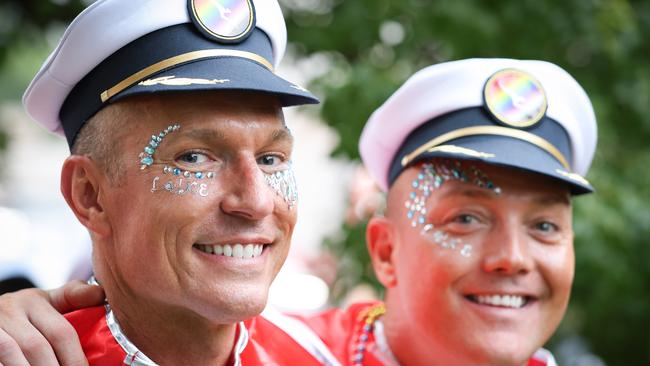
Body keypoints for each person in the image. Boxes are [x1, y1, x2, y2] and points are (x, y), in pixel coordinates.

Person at [0, 58, 597, 365]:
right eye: (465, 219)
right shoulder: (300, 351)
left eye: (545, 225)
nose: (512, 259)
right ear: (384, 249)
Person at [0, 0, 345, 365]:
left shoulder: (332, 353)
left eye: (270, 159)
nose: (256, 201)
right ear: (90, 195)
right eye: (194, 158)